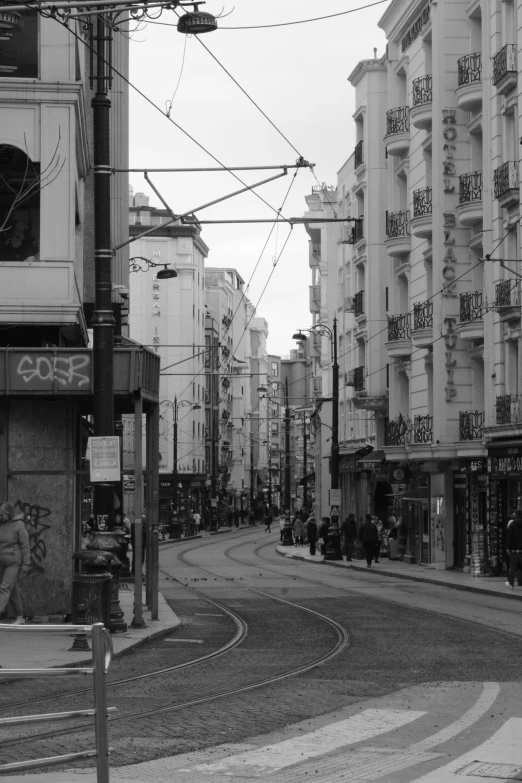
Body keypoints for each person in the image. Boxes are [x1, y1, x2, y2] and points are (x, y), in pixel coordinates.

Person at [0, 502, 30, 625]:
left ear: (8, 513)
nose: (0, 517)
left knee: (5, 588)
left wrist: (26, 563)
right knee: (12, 590)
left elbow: (25, 545)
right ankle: (20, 617)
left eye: (2, 514)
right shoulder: (2, 525)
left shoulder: (19, 525)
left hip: (14, 562)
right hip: (2, 561)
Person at [506, 509, 522, 589]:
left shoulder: (512, 525)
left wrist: (508, 548)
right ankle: (520, 582)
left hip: (514, 550)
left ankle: (511, 584)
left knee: (512, 567)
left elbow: (509, 538)